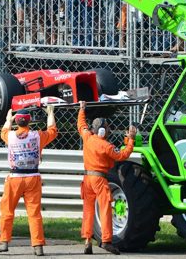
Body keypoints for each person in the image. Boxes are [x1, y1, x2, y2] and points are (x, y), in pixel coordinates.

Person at [0, 107, 58, 256]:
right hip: (33, 177)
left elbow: (3, 129)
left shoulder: (9, 136)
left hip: (14, 178)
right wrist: (51, 113)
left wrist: (8, 118)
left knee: (7, 210)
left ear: (17, 121)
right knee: (34, 213)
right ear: (30, 120)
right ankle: (38, 245)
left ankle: (3, 242)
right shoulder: (37, 136)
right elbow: (53, 130)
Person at [77, 101, 137, 255]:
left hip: (87, 179)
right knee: (104, 209)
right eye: (108, 127)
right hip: (99, 179)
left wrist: (81, 110)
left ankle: (87, 241)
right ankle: (106, 241)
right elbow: (123, 155)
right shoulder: (107, 146)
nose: (110, 130)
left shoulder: (87, 137)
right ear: (102, 131)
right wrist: (130, 139)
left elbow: (81, 125)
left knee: (88, 210)